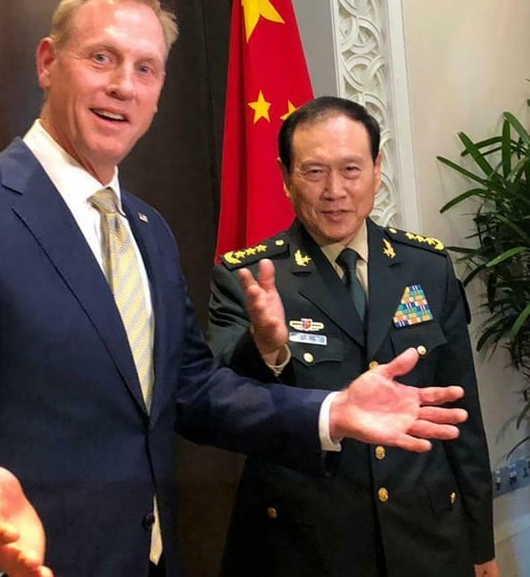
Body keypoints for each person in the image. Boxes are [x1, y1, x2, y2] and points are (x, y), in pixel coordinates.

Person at [0, 0, 469, 577]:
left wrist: (329, 413)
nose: (123, 86)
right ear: (48, 62)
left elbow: (193, 388)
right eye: (101, 58)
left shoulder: (148, 230)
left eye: (146, 68)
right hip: (32, 564)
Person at [208, 96, 498, 577]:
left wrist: (480, 540)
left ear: (377, 169)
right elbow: (223, 402)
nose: (335, 191)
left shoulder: (427, 266)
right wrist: (268, 347)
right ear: (285, 177)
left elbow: (462, 417)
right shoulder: (251, 278)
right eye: (315, 172)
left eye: (351, 169)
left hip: (425, 535)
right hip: (308, 542)